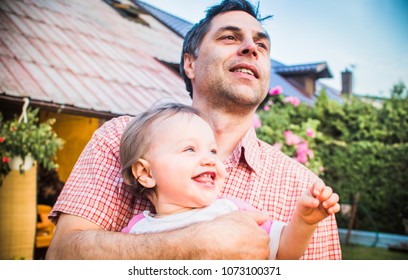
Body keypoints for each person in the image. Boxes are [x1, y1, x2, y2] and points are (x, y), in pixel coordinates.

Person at [47, 0, 342, 259]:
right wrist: (197, 244)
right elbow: (61, 258)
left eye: (261, 45)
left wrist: (303, 223)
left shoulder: (305, 189)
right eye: (229, 37)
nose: (251, 48)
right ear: (190, 62)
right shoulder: (122, 138)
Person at [119, 102, 340, 260]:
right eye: (190, 149)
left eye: (213, 150)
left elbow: (283, 251)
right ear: (146, 173)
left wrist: (304, 222)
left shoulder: (231, 210)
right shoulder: (136, 231)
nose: (209, 159)